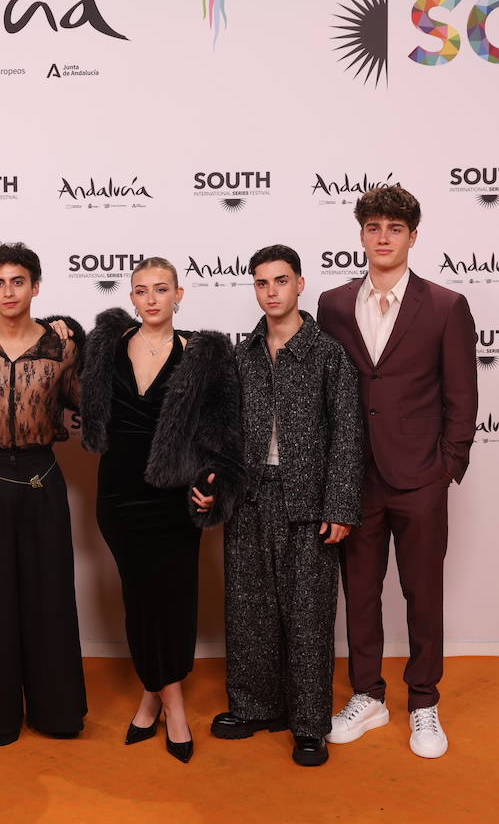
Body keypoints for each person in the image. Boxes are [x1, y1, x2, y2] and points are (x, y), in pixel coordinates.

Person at [316, 185, 477, 759]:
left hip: (420, 478)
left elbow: (462, 396)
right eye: (373, 227)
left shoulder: (444, 306)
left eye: (395, 228)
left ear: (412, 236)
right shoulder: (333, 305)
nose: (383, 237)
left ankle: (425, 702)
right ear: (361, 234)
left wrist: (446, 468)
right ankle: (368, 695)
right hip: (355, 477)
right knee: (359, 592)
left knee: (422, 592)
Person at [79, 257, 243, 764]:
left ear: (180, 294)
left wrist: (213, 485)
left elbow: (222, 436)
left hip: (174, 498)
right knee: (139, 599)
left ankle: (161, 701)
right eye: (141, 290)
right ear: (131, 297)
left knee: (172, 600)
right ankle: (164, 695)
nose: (151, 298)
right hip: (118, 497)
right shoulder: (107, 346)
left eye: (161, 289)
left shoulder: (204, 356)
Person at [211, 245, 364, 767]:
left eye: (280, 281)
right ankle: (256, 706)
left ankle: (308, 723)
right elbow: (225, 434)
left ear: (300, 284)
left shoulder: (327, 353)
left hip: (309, 496)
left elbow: (347, 433)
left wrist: (341, 505)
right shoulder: (243, 355)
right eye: (261, 283)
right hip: (251, 495)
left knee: (308, 615)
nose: (271, 291)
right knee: (250, 606)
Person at [0, 242, 88, 746]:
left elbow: (89, 402)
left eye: (18, 282)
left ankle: (56, 713)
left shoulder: (64, 345)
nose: (8, 292)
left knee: (48, 598)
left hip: (41, 479)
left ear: (35, 286)